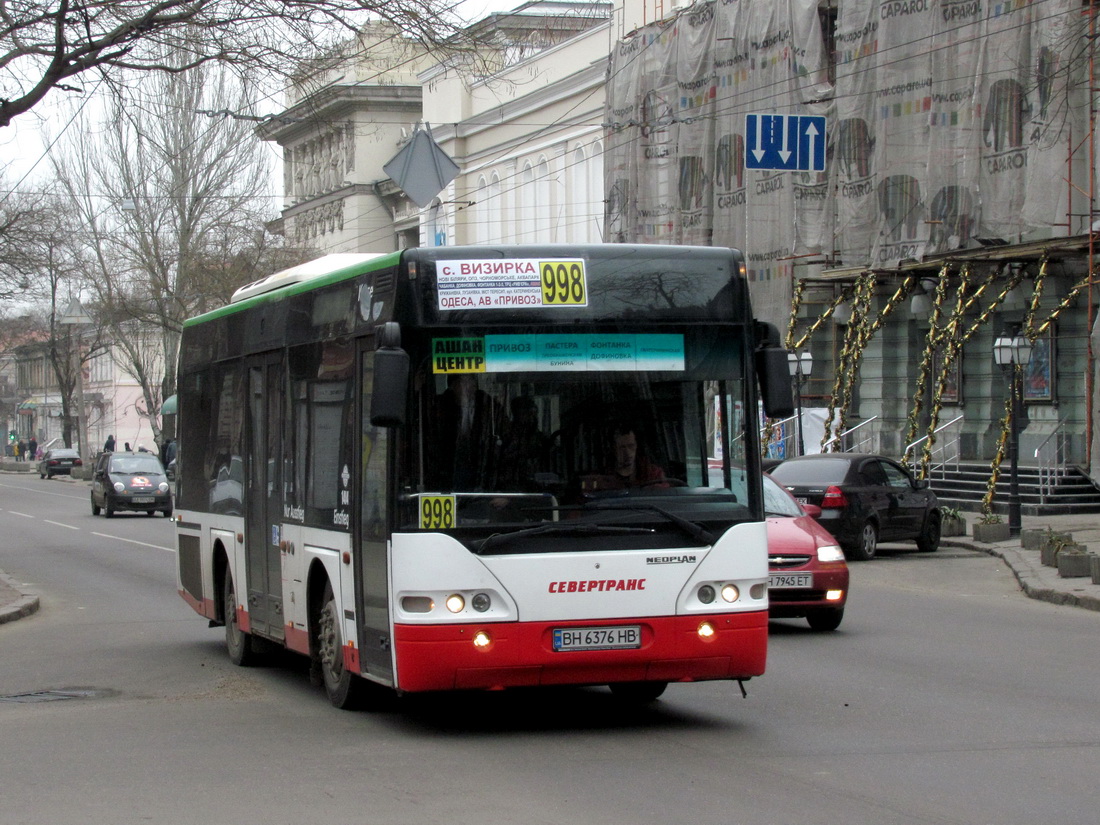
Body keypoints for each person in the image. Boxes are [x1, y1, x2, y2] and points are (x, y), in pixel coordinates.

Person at [433, 374, 503, 491]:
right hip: (446, 475)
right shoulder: (439, 409)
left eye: (472, 382)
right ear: (452, 386)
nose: (469, 387)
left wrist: (502, 490)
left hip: (484, 477)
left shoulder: (490, 408)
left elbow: (505, 446)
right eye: (464, 383)